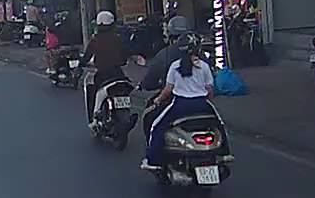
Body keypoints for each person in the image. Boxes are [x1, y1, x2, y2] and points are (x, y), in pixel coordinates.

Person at [142, 33, 216, 170]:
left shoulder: (175, 66)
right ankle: (225, 152)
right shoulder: (204, 66)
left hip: (180, 105)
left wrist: (158, 100)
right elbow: (210, 89)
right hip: (202, 105)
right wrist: (207, 100)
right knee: (219, 125)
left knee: (156, 127)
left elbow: (167, 90)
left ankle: (153, 160)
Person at [82, 11, 129, 123]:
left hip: (103, 74)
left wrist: (81, 63)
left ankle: (94, 117)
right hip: (118, 73)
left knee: (91, 90)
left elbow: (87, 56)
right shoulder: (118, 38)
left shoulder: (95, 40)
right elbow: (125, 54)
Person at [140, 16, 191, 91]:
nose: (163, 33)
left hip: (172, 95)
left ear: (169, 34)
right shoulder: (199, 52)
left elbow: (149, 83)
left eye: (164, 30)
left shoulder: (163, 55)